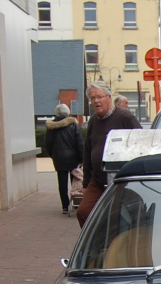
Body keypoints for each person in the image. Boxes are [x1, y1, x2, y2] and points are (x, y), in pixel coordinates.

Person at [77, 83, 139, 227]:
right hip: (97, 180)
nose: (96, 101)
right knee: (84, 212)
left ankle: (112, 244)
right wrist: (85, 183)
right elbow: (88, 152)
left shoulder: (125, 117)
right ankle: (96, 243)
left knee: (115, 216)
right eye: (93, 98)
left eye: (100, 97)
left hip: (121, 180)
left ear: (109, 98)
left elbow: (141, 143)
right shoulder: (92, 121)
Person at [42, 105, 82, 215]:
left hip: (58, 158)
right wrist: (82, 158)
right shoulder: (73, 125)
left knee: (62, 182)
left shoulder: (51, 127)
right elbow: (79, 142)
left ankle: (65, 206)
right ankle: (76, 202)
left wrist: (53, 155)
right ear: (68, 112)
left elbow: (48, 143)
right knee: (76, 181)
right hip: (73, 157)